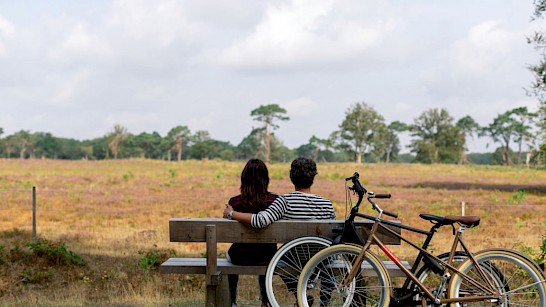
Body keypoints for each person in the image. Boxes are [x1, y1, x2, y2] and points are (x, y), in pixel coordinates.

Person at [224, 157, 335, 305]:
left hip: (294, 256)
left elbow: (260, 220)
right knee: (331, 258)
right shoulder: (326, 203)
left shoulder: (284, 201)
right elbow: (333, 233)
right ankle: (321, 302)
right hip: (320, 257)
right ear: (313, 177)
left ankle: (234, 301)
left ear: (291, 178)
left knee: (274, 257)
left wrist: (231, 213)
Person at [222, 158, 280, 307]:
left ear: (244, 179)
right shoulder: (275, 201)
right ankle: (265, 301)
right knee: (264, 251)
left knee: (229, 254)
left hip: (240, 256)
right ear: (266, 179)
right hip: (268, 257)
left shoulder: (234, 203)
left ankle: (232, 301)